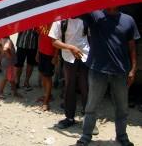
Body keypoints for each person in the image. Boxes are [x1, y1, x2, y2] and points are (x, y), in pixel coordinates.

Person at [76, 8, 139, 146]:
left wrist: (133, 69)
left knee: (122, 107)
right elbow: (75, 11)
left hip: (121, 71)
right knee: (91, 106)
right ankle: (86, 135)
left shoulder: (128, 20)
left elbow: (132, 46)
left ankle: (122, 136)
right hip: (98, 70)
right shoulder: (94, 15)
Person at [49, 18, 90, 129]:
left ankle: (89, 120)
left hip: (85, 56)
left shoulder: (87, 17)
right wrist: (70, 47)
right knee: (69, 87)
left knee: (85, 87)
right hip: (68, 57)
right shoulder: (60, 20)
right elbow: (54, 41)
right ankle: (70, 118)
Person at [36, 24, 58, 111]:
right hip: (41, 52)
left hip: (50, 54)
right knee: (42, 74)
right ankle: (47, 95)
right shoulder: (42, 22)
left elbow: (57, 40)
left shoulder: (56, 24)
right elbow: (40, 37)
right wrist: (37, 52)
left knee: (47, 77)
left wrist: (55, 56)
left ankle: (46, 102)